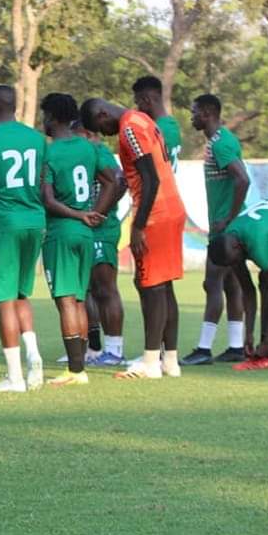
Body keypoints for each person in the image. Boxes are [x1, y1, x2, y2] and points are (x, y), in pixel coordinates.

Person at [81, 98, 187, 379]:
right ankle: (169, 361)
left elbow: (150, 178)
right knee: (163, 287)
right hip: (172, 207)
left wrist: (138, 225)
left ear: (103, 113)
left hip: (155, 213)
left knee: (149, 285)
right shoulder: (144, 119)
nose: (105, 134)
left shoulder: (129, 128)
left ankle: (151, 361)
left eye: (101, 128)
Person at [0, 86, 47, 393]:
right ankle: (34, 355)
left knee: (2, 299)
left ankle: (15, 377)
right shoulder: (38, 139)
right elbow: (43, 185)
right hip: (35, 222)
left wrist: (0, 194)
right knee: (20, 295)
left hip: (4, 223)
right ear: (15, 106)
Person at [39, 93, 116, 386]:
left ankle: (75, 370)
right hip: (86, 233)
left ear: (53, 118)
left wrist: (76, 215)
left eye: (45, 116)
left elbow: (47, 199)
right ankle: (79, 366)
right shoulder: (88, 147)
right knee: (80, 300)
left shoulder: (49, 153)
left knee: (66, 301)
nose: (43, 122)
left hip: (61, 231)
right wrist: (96, 213)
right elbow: (112, 180)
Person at [181, 94, 251, 365]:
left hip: (225, 229)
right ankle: (235, 346)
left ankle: (203, 349)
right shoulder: (219, 141)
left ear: (209, 112)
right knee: (231, 286)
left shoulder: (220, 143)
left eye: (195, 111)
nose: (192, 116)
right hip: (227, 227)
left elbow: (242, 179)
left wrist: (228, 218)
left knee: (212, 283)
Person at [75, 123, 128, 367]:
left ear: (87, 134)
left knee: (105, 289)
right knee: (87, 290)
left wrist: (99, 212)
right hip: (84, 228)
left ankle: (115, 350)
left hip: (101, 230)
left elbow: (119, 180)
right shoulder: (85, 154)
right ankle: (92, 349)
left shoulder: (99, 151)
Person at [208, 197, 268, 370]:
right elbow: (248, 291)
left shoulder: (256, 239)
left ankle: (266, 350)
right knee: (266, 280)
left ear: (237, 248)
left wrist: (266, 341)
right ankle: (265, 354)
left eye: (235, 261)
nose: (235, 265)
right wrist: (248, 334)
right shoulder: (230, 240)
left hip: (264, 229)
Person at [133, 76, 182, 172]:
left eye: (137, 102)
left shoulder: (155, 131)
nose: (137, 108)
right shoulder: (172, 124)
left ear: (146, 100)